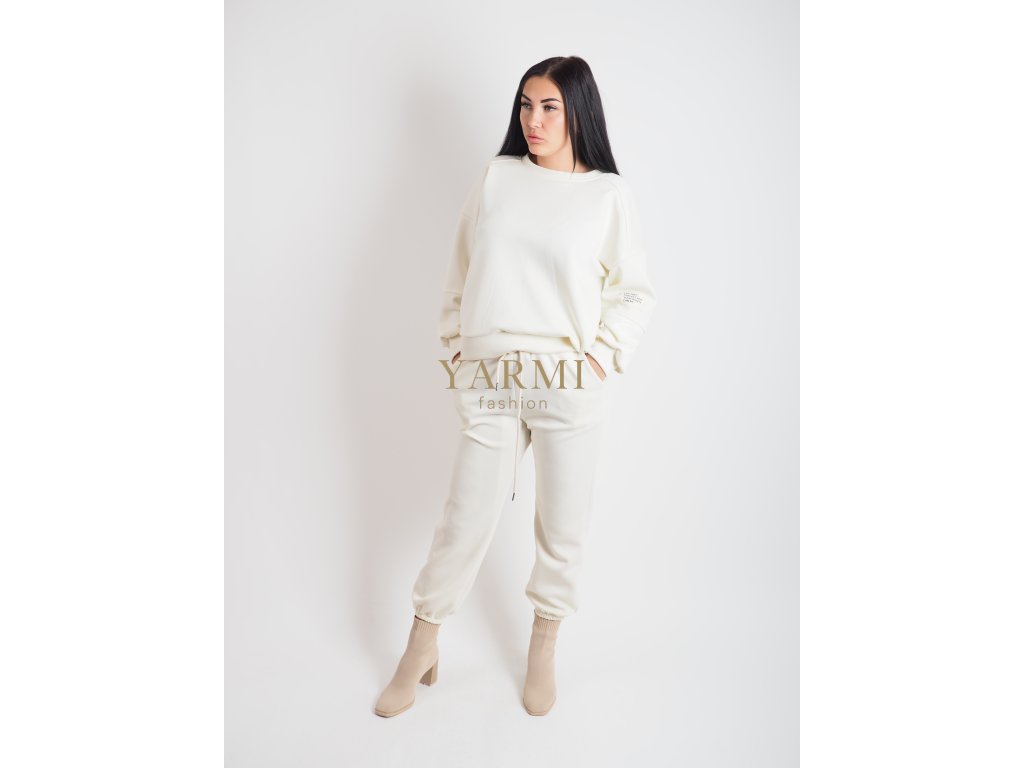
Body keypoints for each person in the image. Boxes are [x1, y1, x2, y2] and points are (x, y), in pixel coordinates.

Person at [375, 55, 657, 718]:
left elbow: (635, 292)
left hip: (567, 380)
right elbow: (459, 269)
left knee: (562, 526)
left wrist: (599, 359)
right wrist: (457, 346)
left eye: (549, 106)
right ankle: (421, 643)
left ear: (578, 111)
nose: (533, 119)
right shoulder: (498, 178)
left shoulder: (607, 196)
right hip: (492, 374)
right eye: (526, 105)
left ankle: (543, 646)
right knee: (465, 518)